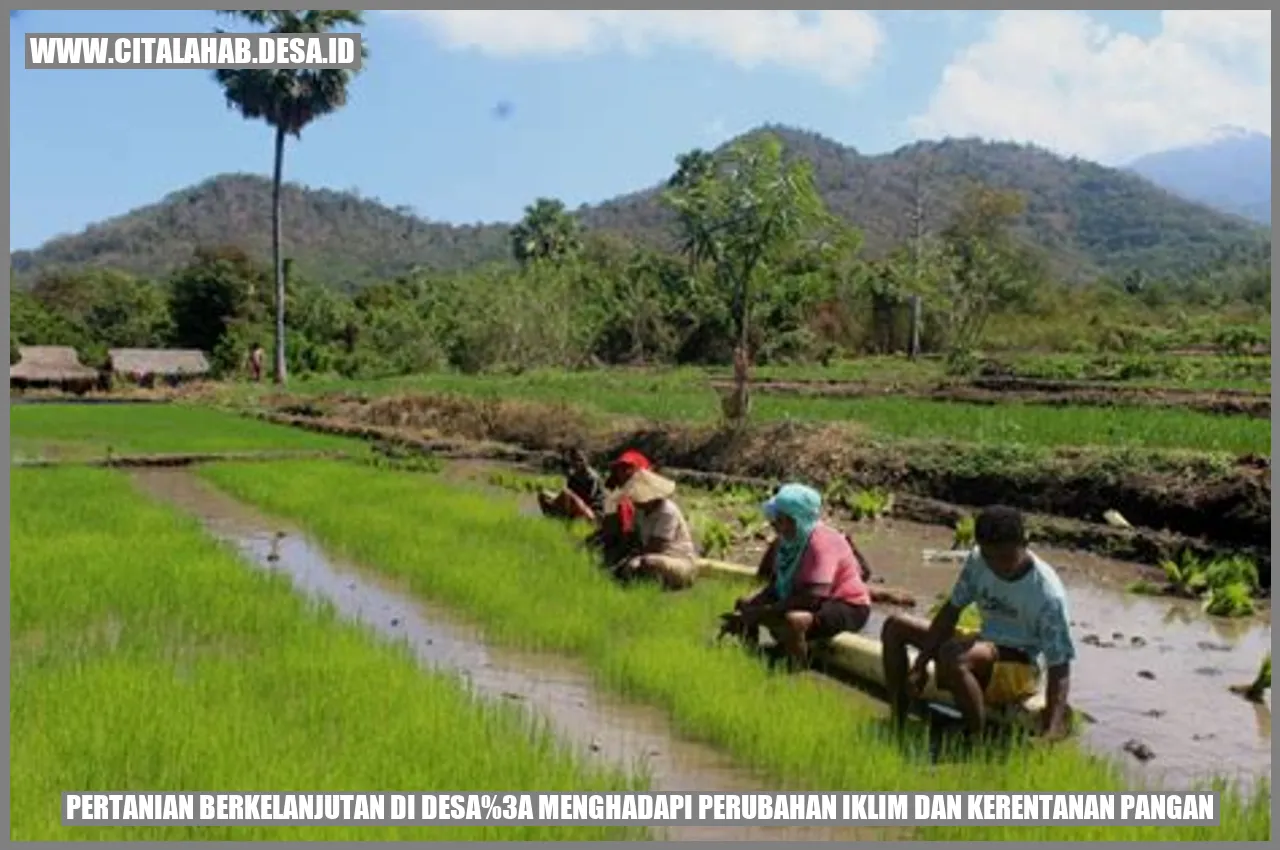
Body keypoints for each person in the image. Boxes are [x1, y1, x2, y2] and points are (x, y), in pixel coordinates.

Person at [880, 505, 1075, 743]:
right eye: (989, 557)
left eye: (1006, 558)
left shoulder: (1047, 593)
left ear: (1024, 543)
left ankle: (975, 737)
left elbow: (1059, 665)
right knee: (895, 625)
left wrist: (1051, 729)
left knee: (955, 655)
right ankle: (898, 717)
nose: (997, 566)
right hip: (984, 643)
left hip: (1021, 664)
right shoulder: (977, 561)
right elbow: (952, 610)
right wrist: (921, 664)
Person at [724, 483, 872, 668]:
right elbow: (776, 585)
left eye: (783, 519)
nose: (776, 524)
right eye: (777, 518)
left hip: (846, 604)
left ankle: (796, 671)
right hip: (810, 598)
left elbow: (812, 598)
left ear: (799, 519)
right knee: (745, 604)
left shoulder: (821, 543)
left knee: (795, 621)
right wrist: (750, 609)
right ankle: (749, 658)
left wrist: (763, 613)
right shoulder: (789, 543)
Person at [610, 468, 699, 590]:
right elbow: (635, 537)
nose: (635, 501)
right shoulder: (640, 512)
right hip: (653, 556)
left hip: (678, 560)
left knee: (647, 562)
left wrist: (633, 559)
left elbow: (657, 546)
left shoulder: (667, 511)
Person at [537, 448, 606, 524]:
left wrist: (569, 496)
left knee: (566, 493)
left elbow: (589, 499)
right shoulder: (573, 477)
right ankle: (553, 519)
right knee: (543, 494)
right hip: (576, 507)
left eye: (580, 460)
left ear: (586, 461)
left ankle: (570, 520)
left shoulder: (592, 477)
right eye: (574, 460)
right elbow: (569, 494)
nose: (577, 463)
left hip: (592, 512)